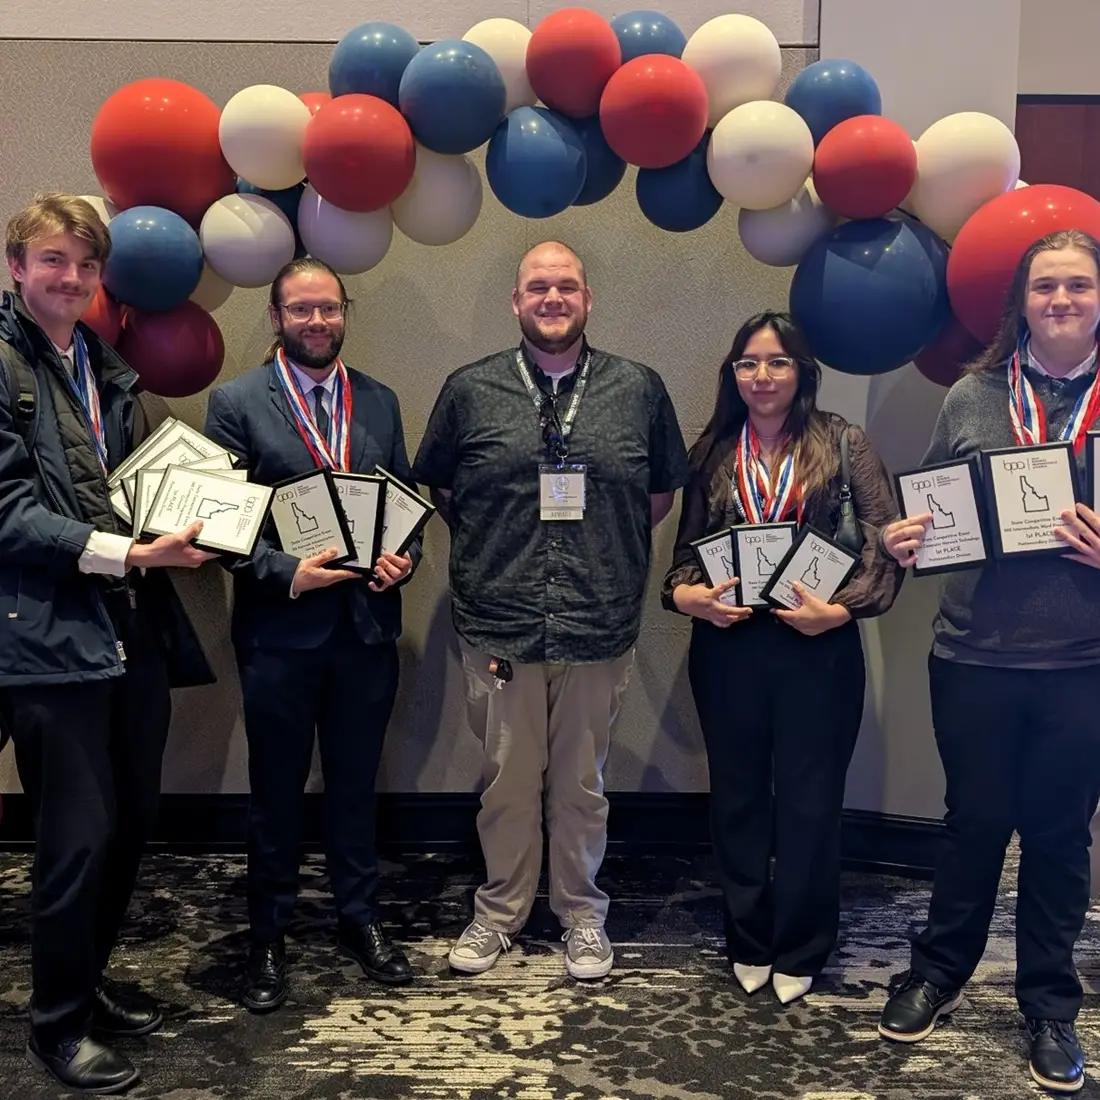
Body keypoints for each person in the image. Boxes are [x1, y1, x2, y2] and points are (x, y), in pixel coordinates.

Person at [412, 240, 689, 980]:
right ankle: (499, 910)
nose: (553, 298)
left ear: (588, 298)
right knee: (505, 778)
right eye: (538, 286)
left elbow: (656, 497)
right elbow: (440, 489)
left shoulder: (639, 388)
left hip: (598, 621)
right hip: (499, 620)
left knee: (581, 783)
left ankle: (581, 913)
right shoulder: (470, 390)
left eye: (567, 285)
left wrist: (600, 553)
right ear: (516, 301)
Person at [0, 192, 215, 1094]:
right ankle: (54, 1028)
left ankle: (83, 986)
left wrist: (199, 518)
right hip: (49, 638)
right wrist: (127, 549)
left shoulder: (98, 363)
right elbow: (7, 512)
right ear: (17, 268)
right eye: (54, 262)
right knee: (75, 838)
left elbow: (130, 484)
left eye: (86, 266)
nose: (72, 279)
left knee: (130, 824)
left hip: (131, 625)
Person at [877, 229, 1100, 1095]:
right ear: (1022, 304)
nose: (1062, 301)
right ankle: (937, 972)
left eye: (1079, 285)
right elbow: (937, 504)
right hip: (972, 654)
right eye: (1046, 287)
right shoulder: (974, 394)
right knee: (971, 825)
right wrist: (906, 538)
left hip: (1083, 664)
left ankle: (1049, 1004)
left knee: (1055, 835)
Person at [661, 311, 903, 1005]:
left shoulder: (842, 441)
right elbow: (681, 562)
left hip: (817, 647)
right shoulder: (712, 450)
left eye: (776, 362)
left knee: (810, 802)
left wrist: (843, 610)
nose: (761, 376)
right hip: (729, 647)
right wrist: (693, 601)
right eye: (748, 363)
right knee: (736, 798)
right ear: (731, 374)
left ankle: (802, 942)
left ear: (802, 371)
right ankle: (749, 937)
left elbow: (884, 542)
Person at [204, 257, 419, 1013]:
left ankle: (360, 920)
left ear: (344, 313)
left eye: (329, 309)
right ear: (275, 317)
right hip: (279, 635)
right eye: (301, 311)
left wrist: (403, 562)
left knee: (357, 787)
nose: (317, 322)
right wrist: (285, 573)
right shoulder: (235, 403)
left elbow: (403, 503)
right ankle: (268, 932)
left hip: (365, 631)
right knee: (275, 793)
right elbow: (224, 528)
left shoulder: (382, 402)